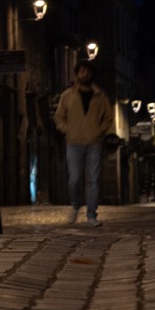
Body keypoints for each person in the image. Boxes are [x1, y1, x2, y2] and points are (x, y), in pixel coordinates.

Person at [54, 60, 112, 227]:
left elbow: (108, 117)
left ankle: (91, 215)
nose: (85, 74)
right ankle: (75, 205)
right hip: (73, 142)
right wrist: (67, 130)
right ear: (77, 74)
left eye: (88, 71)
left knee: (93, 180)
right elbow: (59, 117)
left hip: (94, 143)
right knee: (75, 178)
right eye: (82, 71)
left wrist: (100, 131)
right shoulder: (67, 95)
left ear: (92, 74)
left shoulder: (100, 96)